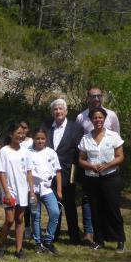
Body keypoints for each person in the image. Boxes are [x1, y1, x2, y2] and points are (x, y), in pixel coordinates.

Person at [75, 86, 121, 243]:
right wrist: (86, 165)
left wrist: (110, 164)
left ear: (102, 97)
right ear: (88, 98)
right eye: (93, 96)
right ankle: (90, 233)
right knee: (89, 202)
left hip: (109, 172)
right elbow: (80, 143)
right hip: (90, 169)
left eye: (98, 96)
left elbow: (117, 141)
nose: (96, 99)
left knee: (110, 204)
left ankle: (115, 236)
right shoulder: (81, 117)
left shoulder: (112, 116)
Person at [45, 99, 84, 244]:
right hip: (50, 173)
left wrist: (75, 174)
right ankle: (53, 234)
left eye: (61, 109)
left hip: (69, 172)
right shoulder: (47, 127)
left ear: (66, 111)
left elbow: (80, 151)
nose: (58, 111)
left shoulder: (75, 128)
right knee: (54, 205)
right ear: (52, 112)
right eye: (55, 109)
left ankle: (74, 235)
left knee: (69, 204)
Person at [0, 121, 33, 261]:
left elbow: (29, 172)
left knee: (19, 219)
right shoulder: (4, 151)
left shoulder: (26, 152)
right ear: (11, 134)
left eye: (23, 133)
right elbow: (2, 173)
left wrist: (32, 190)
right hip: (9, 190)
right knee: (9, 220)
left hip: (23, 191)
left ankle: (19, 249)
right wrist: (6, 192)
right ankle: (1, 247)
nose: (21, 135)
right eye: (18, 133)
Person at [28, 127, 62, 255]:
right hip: (34, 189)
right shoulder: (28, 152)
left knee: (54, 212)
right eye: (37, 138)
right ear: (33, 139)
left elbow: (58, 171)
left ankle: (48, 240)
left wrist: (59, 189)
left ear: (46, 139)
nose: (40, 141)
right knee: (35, 216)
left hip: (47, 189)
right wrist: (31, 191)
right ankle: (38, 242)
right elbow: (28, 172)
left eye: (42, 138)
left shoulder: (51, 152)